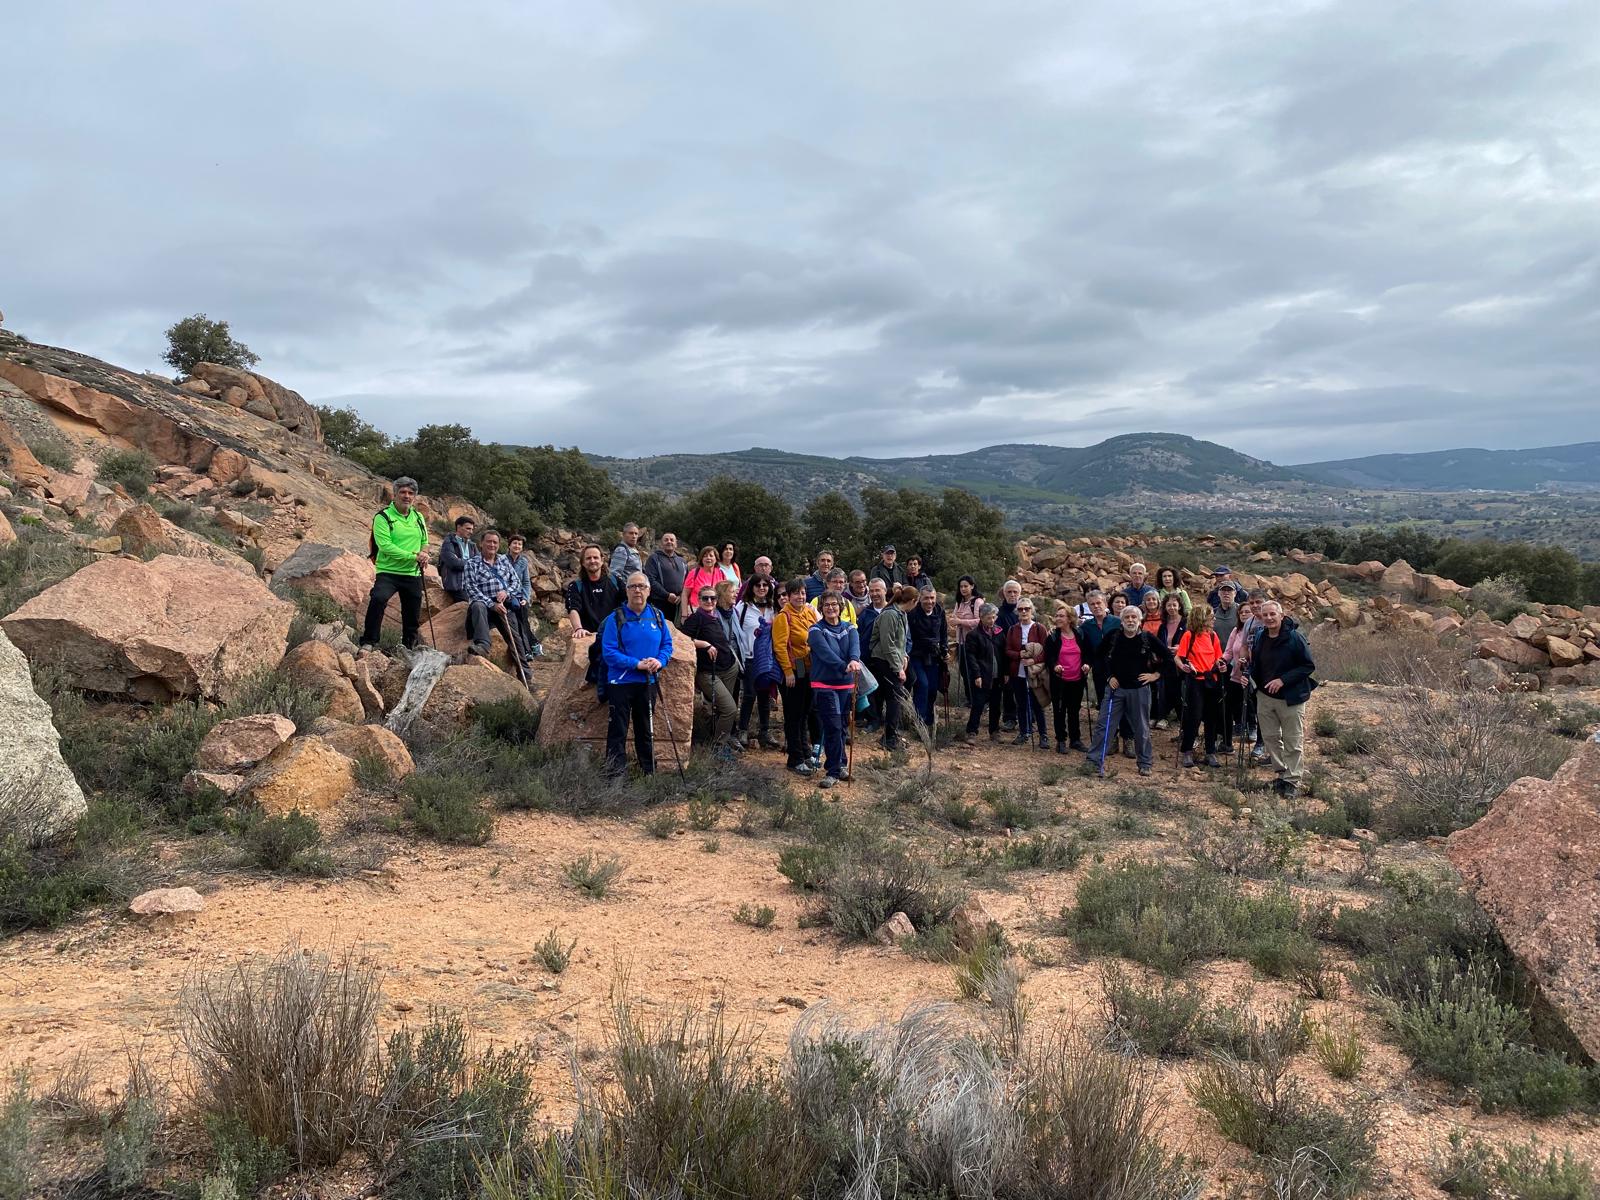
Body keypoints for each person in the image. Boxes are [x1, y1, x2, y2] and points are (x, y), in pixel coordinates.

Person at [1085, 606, 1174, 777]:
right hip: (1115, 690)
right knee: (1105, 725)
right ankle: (1093, 761)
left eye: (1134, 617)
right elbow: (1099, 657)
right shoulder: (1113, 637)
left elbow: (1168, 657)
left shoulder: (1147, 638)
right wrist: (1109, 676)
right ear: (1122, 620)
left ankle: (1145, 763)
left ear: (1140, 620)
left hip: (1139, 690)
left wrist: (1156, 675)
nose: (1130, 620)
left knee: (1141, 728)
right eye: (1127, 617)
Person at [599, 573, 673, 776]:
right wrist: (636, 664)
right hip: (621, 682)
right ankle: (615, 774)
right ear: (626, 591)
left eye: (641, 586)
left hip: (648, 681)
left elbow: (667, 645)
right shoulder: (616, 618)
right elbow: (609, 652)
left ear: (649, 590)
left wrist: (660, 661)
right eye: (632, 586)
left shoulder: (657, 615)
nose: (637, 590)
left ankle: (648, 772)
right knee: (618, 730)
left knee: (645, 729)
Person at [1249, 601, 1317, 797]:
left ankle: (1292, 781)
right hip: (1265, 696)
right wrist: (1249, 675)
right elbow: (1257, 663)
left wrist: (1283, 680)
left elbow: (1307, 666)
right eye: (1265, 615)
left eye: (1272, 614)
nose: (1269, 618)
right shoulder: (1261, 636)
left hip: (1291, 697)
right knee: (1270, 738)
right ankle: (1282, 774)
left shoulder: (1295, 637)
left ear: (1281, 615)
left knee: (1292, 740)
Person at [360, 476, 431, 652]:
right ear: (395, 494)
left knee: (412, 613)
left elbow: (425, 541)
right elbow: (385, 546)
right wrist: (414, 557)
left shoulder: (418, 517)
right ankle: (369, 641)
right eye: (403, 492)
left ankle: (409, 647)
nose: (407, 496)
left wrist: (424, 554)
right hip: (388, 572)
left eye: (411, 493)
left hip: (412, 573)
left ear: (414, 496)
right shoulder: (383, 517)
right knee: (378, 599)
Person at [807, 592, 862, 789]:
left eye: (834, 604)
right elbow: (825, 654)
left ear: (841, 607)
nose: (831, 608)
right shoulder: (815, 630)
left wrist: (854, 660)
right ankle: (833, 770)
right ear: (821, 608)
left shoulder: (850, 628)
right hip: (824, 684)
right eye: (826, 605)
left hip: (845, 684)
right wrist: (844, 666)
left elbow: (855, 648)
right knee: (832, 726)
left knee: (842, 725)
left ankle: (841, 764)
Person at [681, 582, 740, 749]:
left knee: (721, 709)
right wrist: (704, 644)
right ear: (699, 600)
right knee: (729, 709)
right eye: (705, 598)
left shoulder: (716, 616)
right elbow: (681, 639)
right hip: (708, 673)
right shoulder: (696, 619)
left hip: (729, 668)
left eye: (712, 598)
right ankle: (719, 746)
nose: (709, 601)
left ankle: (720, 739)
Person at [773, 580, 820, 774]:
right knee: (794, 714)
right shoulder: (783, 617)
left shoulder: (809, 612)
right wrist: (787, 672)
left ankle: (805, 752)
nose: (800, 597)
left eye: (803, 593)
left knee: (805, 712)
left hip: (810, 668)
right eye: (796, 593)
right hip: (795, 669)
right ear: (789, 596)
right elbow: (780, 646)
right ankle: (795, 758)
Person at [565, 543, 624, 697]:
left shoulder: (615, 581)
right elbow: (573, 609)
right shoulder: (576, 586)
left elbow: (627, 604)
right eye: (588, 558)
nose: (593, 561)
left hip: (613, 633)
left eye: (596, 557)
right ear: (583, 563)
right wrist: (578, 628)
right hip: (590, 634)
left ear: (602, 560)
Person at [1175, 602, 1227, 767]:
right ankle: (1187, 751)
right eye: (1211, 617)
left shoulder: (1213, 636)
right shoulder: (1189, 635)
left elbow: (1218, 657)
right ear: (1201, 618)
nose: (1214, 619)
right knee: (1194, 716)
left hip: (1212, 679)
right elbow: (1179, 656)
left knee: (1212, 717)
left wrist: (1221, 665)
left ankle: (1210, 752)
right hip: (1195, 680)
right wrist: (1183, 666)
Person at [461, 529, 524, 659]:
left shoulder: (504, 561)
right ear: (481, 543)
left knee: (514, 637)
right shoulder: (472, 564)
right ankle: (483, 645)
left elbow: (516, 582)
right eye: (488, 541)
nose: (492, 545)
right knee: (478, 605)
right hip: (484, 604)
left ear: (499, 545)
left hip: (503, 603)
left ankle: (524, 669)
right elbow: (471, 589)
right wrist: (491, 604)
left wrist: (506, 592)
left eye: (495, 542)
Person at [733, 574, 779, 748]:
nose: (761, 588)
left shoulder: (773, 608)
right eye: (757, 585)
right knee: (749, 694)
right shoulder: (743, 607)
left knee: (764, 696)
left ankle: (764, 731)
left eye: (765, 585)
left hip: (768, 658)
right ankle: (743, 730)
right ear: (751, 587)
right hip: (750, 657)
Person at [869, 585, 916, 750]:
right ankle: (889, 737)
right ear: (913, 601)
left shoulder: (902, 614)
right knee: (894, 697)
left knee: (896, 695)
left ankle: (891, 733)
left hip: (894, 658)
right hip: (883, 659)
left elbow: (901, 641)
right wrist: (898, 668)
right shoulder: (890, 614)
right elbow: (887, 644)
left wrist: (905, 656)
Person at [1045, 602, 1091, 753]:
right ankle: (1061, 740)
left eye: (1061, 616)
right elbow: (1049, 657)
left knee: (1074, 710)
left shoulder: (1080, 634)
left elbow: (1087, 653)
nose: (1057, 618)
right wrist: (1054, 666)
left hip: (1077, 679)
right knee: (1059, 710)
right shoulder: (1053, 636)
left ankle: (1075, 740)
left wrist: (1087, 664)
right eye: (1056, 616)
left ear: (1070, 619)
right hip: (1059, 680)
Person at [1005, 597, 1048, 748]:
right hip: (1018, 672)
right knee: (1021, 704)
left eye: (1027, 609)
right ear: (1017, 611)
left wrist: (1033, 660)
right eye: (1020, 609)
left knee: (1037, 704)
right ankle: (1024, 732)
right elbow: (1007, 650)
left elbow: (1046, 651)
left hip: (1035, 672)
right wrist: (1019, 655)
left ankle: (1043, 735)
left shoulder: (1039, 628)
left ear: (1032, 610)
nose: (1024, 612)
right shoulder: (1012, 629)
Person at [907, 586, 948, 729]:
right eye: (926, 598)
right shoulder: (912, 613)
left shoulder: (939, 611)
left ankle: (929, 721)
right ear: (920, 598)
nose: (929, 601)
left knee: (932, 688)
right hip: (916, 655)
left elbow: (943, 633)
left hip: (934, 656)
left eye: (932, 598)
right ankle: (919, 721)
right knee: (922, 685)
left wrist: (945, 649)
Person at [1221, 594, 1256, 756]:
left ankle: (1252, 727)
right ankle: (1234, 733)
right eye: (1241, 612)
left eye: (1247, 612)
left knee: (1251, 702)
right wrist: (1222, 660)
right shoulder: (1236, 630)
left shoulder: (1257, 630)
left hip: (1252, 676)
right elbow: (1228, 651)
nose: (1244, 614)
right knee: (1232, 704)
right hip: (1236, 674)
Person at [964, 603, 1003, 740]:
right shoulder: (973, 635)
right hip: (982, 676)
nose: (992, 621)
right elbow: (971, 657)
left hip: (997, 676)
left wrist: (1006, 673)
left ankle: (994, 731)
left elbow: (1003, 654)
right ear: (981, 617)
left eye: (994, 617)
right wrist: (977, 675)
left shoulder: (999, 632)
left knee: (996, 705)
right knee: (978, 704)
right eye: (988, 618)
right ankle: (972, 731)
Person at [503, 533, 542, 662]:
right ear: (509, 545)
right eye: (514, 543)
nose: (517, 546)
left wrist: (525, 597)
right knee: (517, 622)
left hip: (519, 596)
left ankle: (528, 649)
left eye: (520, 544)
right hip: (507, 596)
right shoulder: (502, 559)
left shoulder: (523, 561)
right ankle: (531, 647)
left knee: (523, 621)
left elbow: (526, 582)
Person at [858, 578, 890, 732]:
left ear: (885, 591)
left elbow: (905, 635)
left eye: (878, 590)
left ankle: (890, 720)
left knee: (888, 691)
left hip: (890, 659)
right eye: (871, 591)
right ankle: (873, 720)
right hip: (870, 659)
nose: (875, 594)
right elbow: (860, 636)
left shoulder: (894, 611)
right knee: (871, 690)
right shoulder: (866, 614)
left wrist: (905, 654)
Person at [1152, 593, 1187, 729]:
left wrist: (1180, 648)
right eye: (1168, 605)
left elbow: (1191, 640)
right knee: (1163, 689)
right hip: (1166, 662)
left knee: (1178, 691)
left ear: (1179, 606)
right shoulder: (1163, 625)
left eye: (1174, 605)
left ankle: (1181, 718)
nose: (1171, 608)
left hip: (1181, 663)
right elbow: (1159, 643)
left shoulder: (1186, 623)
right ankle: (1163, 716)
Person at [995, 579, 1023, 730]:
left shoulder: (1026, 610)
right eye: (1009, 592)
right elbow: (999, 640)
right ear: (1004, 594)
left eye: (1015, 592)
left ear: (1020, 594)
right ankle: (1010, 718)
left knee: (1027, 688)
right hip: (1007, 657)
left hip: (1026, 657)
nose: (1012, 595)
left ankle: (1028, 717)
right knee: (1008, 689)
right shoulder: (1000, 615)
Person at [644, 532, 688, 620]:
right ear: (661, 543)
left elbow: (687, 581)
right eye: (666, 540)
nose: (669, 542)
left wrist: (681, 595)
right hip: (659, 602)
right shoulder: (654, 558)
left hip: (678, 603)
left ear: (676, 543)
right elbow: (650, 579)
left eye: (672, 540)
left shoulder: (682, 561)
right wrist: (666, 595)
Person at [952, 575, 983, 701]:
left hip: (974, 643)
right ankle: (969, 698)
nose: (963, 589)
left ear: (972, 586)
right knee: (964, 671)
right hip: (961, 641)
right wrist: (956, 621)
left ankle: (978, 698)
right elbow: (954, 618)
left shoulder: (977, 602)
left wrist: (961, 621)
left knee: (974, 671)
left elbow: (980, 621)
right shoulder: (959, 602)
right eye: (961, 586)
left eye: (966, 586)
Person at [1079, 591, 1111, 709]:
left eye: (1099, 603)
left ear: (1105, 604)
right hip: (1098, 668)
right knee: (1102, 698)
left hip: (1116, 666)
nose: (1096, 606)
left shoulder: (1117, 622)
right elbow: (1083, 648)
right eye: (1092, 604)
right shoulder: (1085, 626)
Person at [439, 515, 478, 602]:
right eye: (468, 529)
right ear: (459, 527)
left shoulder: (472, 545)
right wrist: (471, 562)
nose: (471, 532)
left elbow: (479, 564)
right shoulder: (449, 542)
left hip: (471, 585)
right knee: (471, 603)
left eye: (472, 529)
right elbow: (454, 563)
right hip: (455, 586)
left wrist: (461, 561)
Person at [681, 546, 724, 622]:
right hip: (695, 611)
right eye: (705, 556)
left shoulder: (721, 574)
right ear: (701, 559)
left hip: (714, 612)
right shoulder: (694, 573)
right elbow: (685, 594)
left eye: (711, 555)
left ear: (716, 559)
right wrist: (684, 614)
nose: (708, 558)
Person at [1213, 580, 1243, 646]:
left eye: (1229, 590)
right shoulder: (1213, 613)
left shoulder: (1241, 611)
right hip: (1216, 651)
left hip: (1235, 651)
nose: (1226, 593)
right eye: (1223, 590)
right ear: (1218, 593)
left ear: (1235, 593)